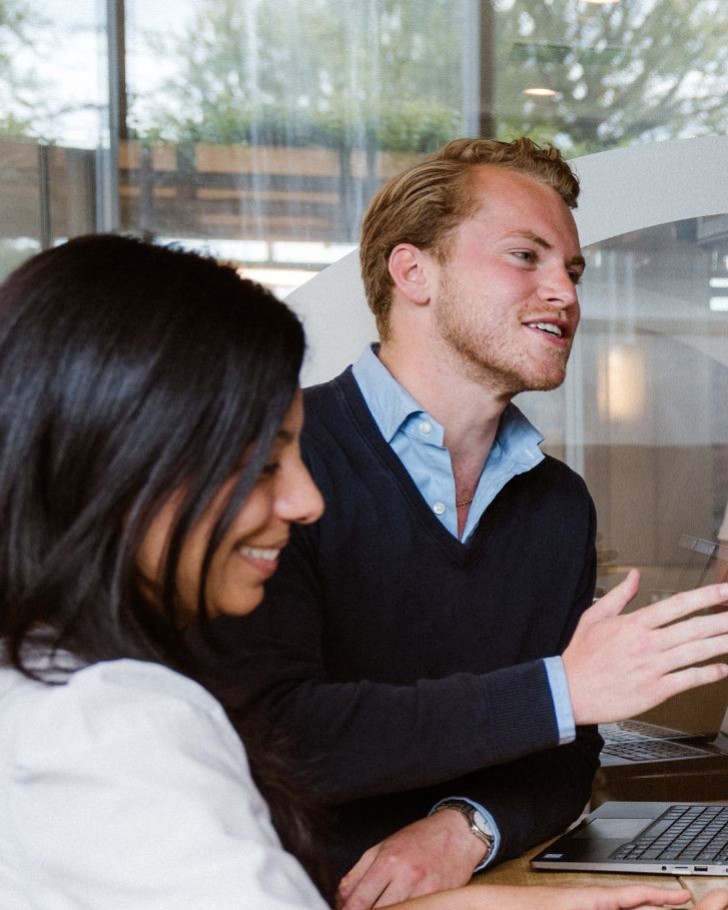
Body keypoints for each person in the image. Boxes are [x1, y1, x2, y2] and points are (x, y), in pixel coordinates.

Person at [2, 233, 718, 910]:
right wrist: (560, 689)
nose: (307, 499)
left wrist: (492, 883)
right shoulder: (110, 723)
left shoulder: (55, 686)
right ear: (125, 459)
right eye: (263, 458)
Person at [204, 137, 728, 910]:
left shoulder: (558, 504)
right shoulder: (277, 460)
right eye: (527, 256)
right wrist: (561, 687)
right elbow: (275, 737)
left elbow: (566, 755)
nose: (566, 292)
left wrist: (466, 828)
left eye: (573, 270)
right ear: (412, 271)